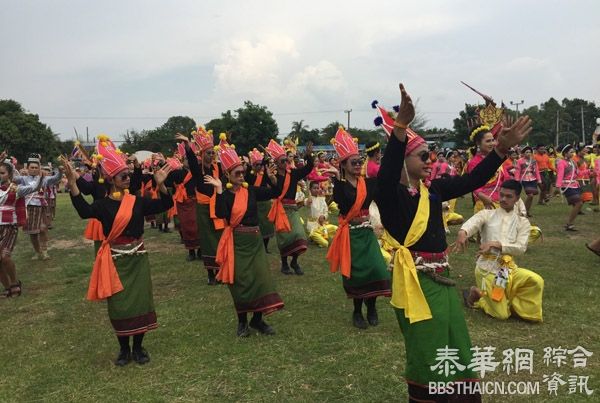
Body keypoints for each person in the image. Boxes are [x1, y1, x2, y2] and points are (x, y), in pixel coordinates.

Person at [376, 83, 532, 402]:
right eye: (423, 156)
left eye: (431, 156)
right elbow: (388, 172)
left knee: (456, 345)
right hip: (417, 283)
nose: (430, 162)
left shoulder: (432, 192)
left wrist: (500, 151)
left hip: (443, 282)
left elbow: (473, 180)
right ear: (403, 161)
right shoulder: (390, 197)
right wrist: (401, 128)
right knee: (428, 348)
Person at [62, 137, 173, 366]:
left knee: (141, 302)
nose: (128, 179)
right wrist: (73, 183)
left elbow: (165, 205)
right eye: (123, 176)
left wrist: (161, 185)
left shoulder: (137, 201)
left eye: (128, 175)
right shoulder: (103, 205)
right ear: (112, 179)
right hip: (115, 259)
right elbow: (84, 211)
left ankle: (139, 347)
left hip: (138, 257)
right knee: (119, 305)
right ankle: (124, 349)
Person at [205, 139, 284, 337]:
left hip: (254, 242)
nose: (241, 175)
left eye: (242, 172)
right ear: (227, 175)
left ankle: (257, 320)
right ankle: (242, 322)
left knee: (259, 279)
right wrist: (219, 190)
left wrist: (273, 179)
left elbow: (274, 192)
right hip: (236, 243)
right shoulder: (225, 194)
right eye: (237, 173)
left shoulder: (251, 192)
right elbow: (222, 213)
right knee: (240, 282)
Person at [327, 127, 391, 329]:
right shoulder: (340, 186)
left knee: (376, 269)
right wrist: (338, 179)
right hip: (351, 236)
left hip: (367, 233)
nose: (358, 165)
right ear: (343, 165)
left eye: (360, 161)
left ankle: (372, 307)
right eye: (353, 162)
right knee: (356, 274)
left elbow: (386, 183)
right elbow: (341, 202)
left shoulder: (370, 184)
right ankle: (357, 311)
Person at [455, 180, 544, 322]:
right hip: (487, 268)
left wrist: (497, 244)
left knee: (536, 280)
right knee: (501, 315)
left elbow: (521, 248)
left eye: (508, 196)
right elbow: (471, 224)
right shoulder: (487, 214)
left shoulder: (522, 222)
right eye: (501, 195)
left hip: (508, 269)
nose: (503, 199)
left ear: (517, 198)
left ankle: (515, 307)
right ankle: (477, 293)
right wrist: (462, 233)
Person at [176, 129, 224, 285]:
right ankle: (211, 273)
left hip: (217, 207)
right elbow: (190, 157)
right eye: (208, 153)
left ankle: (220, 271)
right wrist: (187, 144)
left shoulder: (217, 168)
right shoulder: (197, 170)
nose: (211, 155)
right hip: (203, 209)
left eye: (212, 153)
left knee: (219, 238)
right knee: (207, 240)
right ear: (202, 154)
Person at [265, 139, 313, 275]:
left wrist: (309, 156)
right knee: (284, 238)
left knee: (299, 234)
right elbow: (274, 191)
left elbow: (308, 168)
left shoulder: (293, 174)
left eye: (286, 160)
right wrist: (271, 179)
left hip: (292, 209)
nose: (286, 162)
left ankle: (295, 261)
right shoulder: (272, 176)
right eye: (282, 161)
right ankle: (285, 264)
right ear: (277, 163)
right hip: (280, 210)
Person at [0, 156, 43, 297]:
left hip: (9, 227)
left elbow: (35, 187)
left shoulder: (16, 189)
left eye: (2, 173)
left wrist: (41, 179)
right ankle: (7, 288)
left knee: (5, 257)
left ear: (10, 175)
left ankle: (14, 283)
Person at [14, 153, 62, 260]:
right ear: (27, 168)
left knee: (43, 228)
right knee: (33, 232)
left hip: (42, 207)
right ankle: (37, 251)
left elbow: (56, 178)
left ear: (39, 168)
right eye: (32, 167)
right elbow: (11, 177)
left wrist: (60, 170)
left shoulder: (44, 179)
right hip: (29, 208)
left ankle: (44, 251)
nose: (34, 169)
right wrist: (11, 165)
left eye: (36, 167)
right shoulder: (23, 179)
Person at [556, 144, 583, 231]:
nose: (573, 153)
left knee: (577, 204)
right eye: (571, 152)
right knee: (579, 203)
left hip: (575, 185)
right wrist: (558, 186)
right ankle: (569, 224)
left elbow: (577, 174)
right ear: (565, 153)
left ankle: (570, 224)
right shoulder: (561, 162)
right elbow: (560, 175)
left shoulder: (573, 162)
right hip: (567, 186)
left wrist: (589, 172)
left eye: (573, 152)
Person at [515, 146, 542, 217]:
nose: (528, 153)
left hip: (533, 179)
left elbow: (536, 171)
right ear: (523, 154)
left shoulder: (533, 161)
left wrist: (539, 180)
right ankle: (524, 211)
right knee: (530, 195)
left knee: (531, 196)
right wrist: (517, 180)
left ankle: (527, 211)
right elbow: (518, 171)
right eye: (526, 152)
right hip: (524, 179)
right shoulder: (520, 161)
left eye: (530, 152)